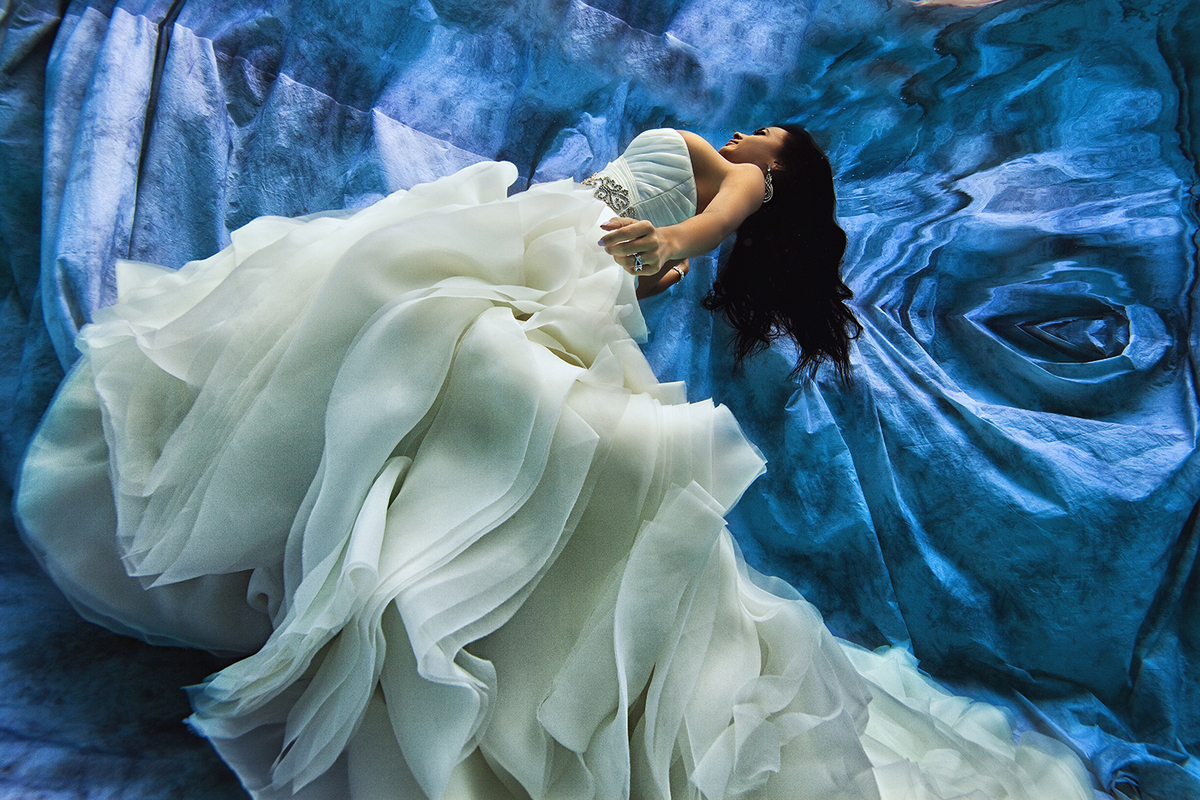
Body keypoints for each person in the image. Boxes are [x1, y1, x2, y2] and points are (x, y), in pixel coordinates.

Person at [16, 125, 1094, 799]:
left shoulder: (743, 176)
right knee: (390, 319)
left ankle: (424, 640)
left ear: (782, 163)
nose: (756, 135)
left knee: (430, 335)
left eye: (773, 138)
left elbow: (706, 219)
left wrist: (667, 242)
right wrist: (622, 239)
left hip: (561, 253)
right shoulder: (700, 154)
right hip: (550, 246)